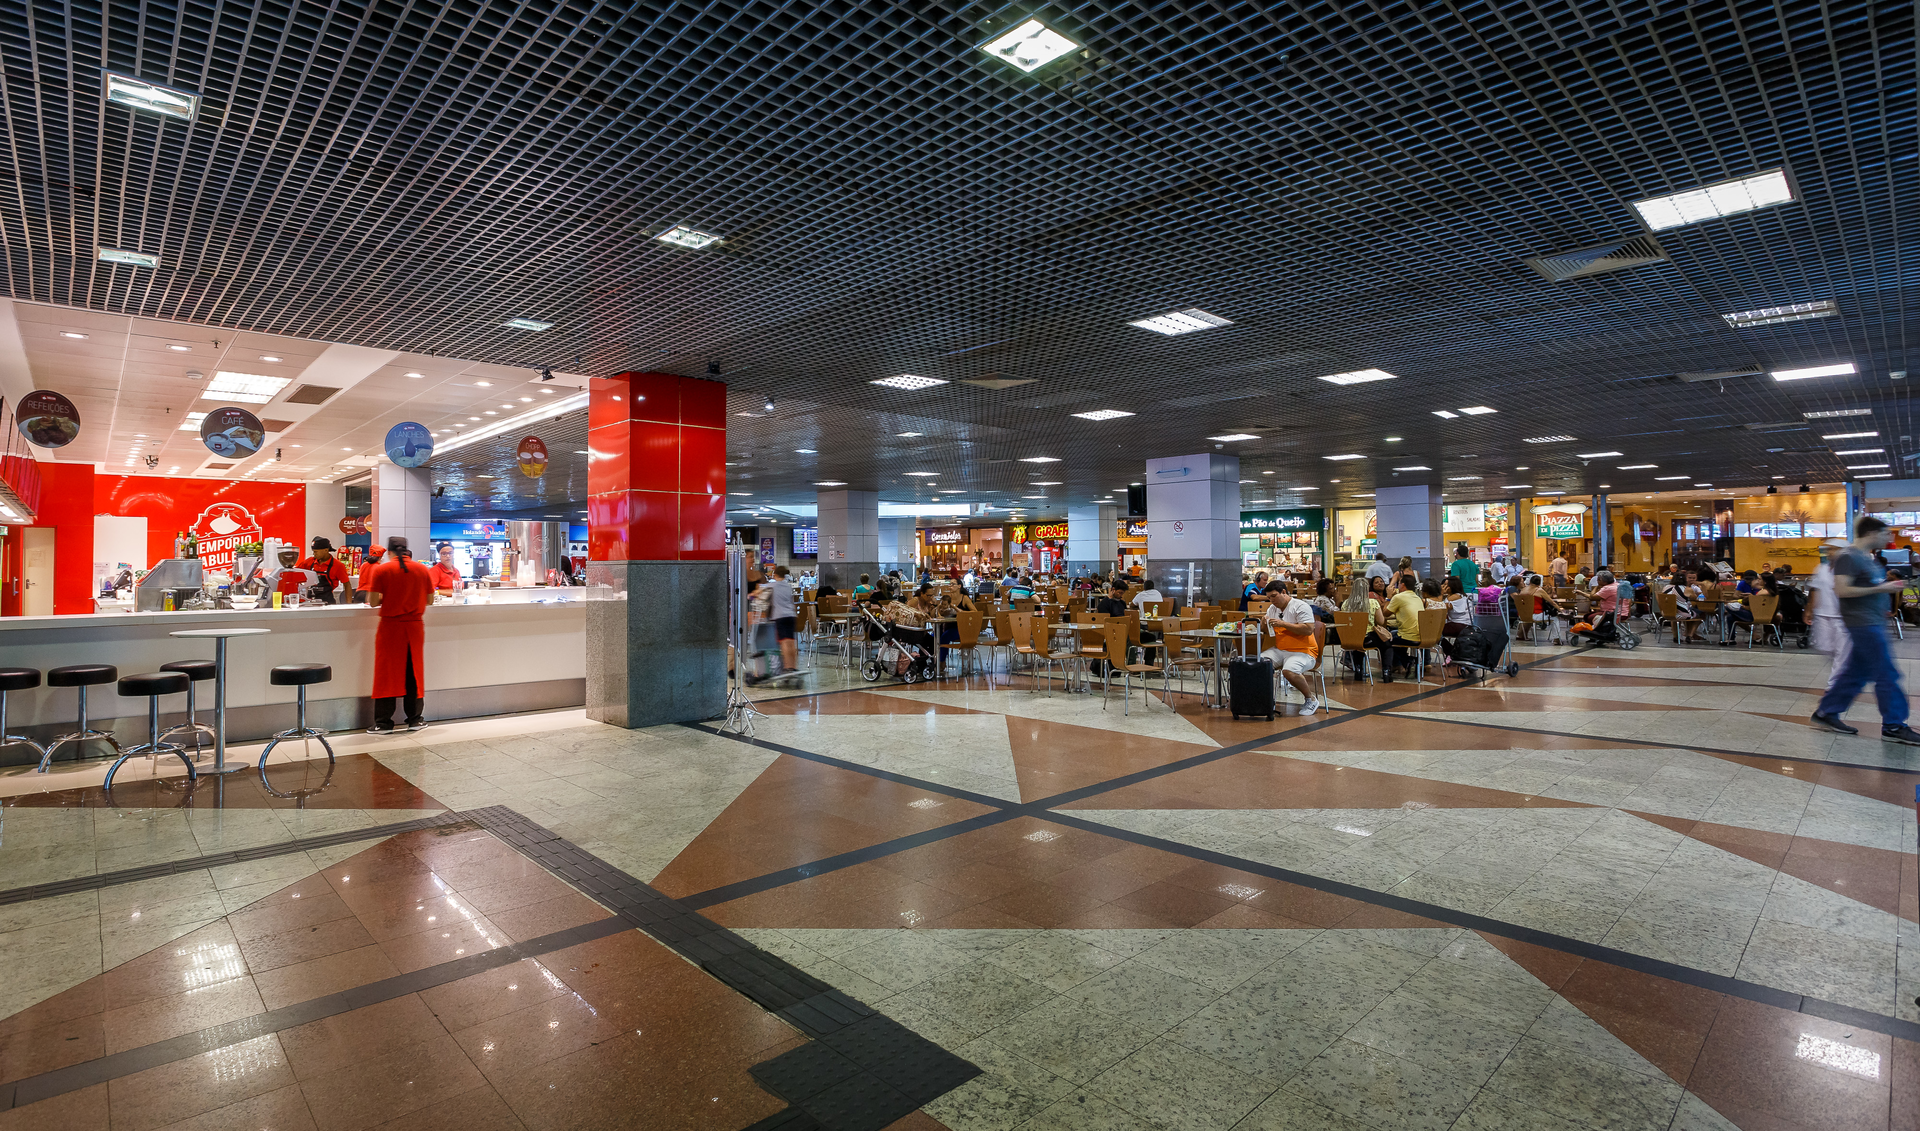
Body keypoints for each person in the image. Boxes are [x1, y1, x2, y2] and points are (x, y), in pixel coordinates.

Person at [1812, 518, 1919, 742]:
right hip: (1862, 624)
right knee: (1887, 673)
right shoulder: (1848, 557)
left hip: (1872, 622)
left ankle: (1827, 712)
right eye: (1885, 533)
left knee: (1855, 673)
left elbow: (1869, 587)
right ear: (1871, 532)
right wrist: (1883, 588)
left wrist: (1886, 589)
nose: (1889, 538)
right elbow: (1842, 590)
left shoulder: (1868, 559)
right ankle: (1894, 724)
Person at [366, 536, 433, 733]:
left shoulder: (381, 570)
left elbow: (372, 602)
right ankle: (415, 719)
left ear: (388, 552)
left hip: (390, 627)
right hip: (414, 627)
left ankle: (383, 722)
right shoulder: (422, 569)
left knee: (387, 674)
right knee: (413, 672)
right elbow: (429, 600)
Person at [1258, 583, 1322, 715]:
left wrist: (1284, 624)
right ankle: (1263, 700)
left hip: (1304, 651)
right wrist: (1264, 624)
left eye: (1274, 596)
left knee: (1289, 671)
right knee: (1258, 664)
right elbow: (1268, 632)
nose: (1272, 600)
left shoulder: (1300, 606)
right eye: (1269, 598)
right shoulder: (1272, 609)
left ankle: (1311, 699)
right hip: (1281, 649)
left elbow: (1308, 629)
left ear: (1283, 592)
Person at [1808, 537, 1850, 677]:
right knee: (1825, 648)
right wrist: (1810, 609)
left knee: (1840, 653)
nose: (1830, 552)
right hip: (1822, 615)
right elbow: (1815, 589)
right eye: (1829, 549)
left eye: (1833, 549)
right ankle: (1844, 672)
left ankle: (1833, 687)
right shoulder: (1821, 569)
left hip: (1842, 617)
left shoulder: (1849, 570)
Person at [1383, 575, 1425, 681]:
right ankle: (1403, 662)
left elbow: (1385, 613)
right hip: (1422, 634)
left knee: (1385, 639)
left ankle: (1406, 661)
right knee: (1394, 634)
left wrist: (1388, 597)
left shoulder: (1399, 597)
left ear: (1402, 585)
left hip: (1408, 635)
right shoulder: (1418, 598)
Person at [296, 537, 351, 603]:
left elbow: (347, 585)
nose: (314, 554)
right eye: (313, 551)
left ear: (326, 550)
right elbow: (295, 573)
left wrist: (349, 604)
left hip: (327, 603)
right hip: (310, 602)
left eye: (316, 552)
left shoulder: (338, 566)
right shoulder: (309, 562)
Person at [768, 565, 799, 673]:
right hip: (791, 616)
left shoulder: (773, 585)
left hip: (780, 616)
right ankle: (793, 666)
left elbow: (760, 592)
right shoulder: (788, 586)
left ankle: (786, 667)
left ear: (775, 575)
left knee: (784, 642)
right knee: (791, 642)